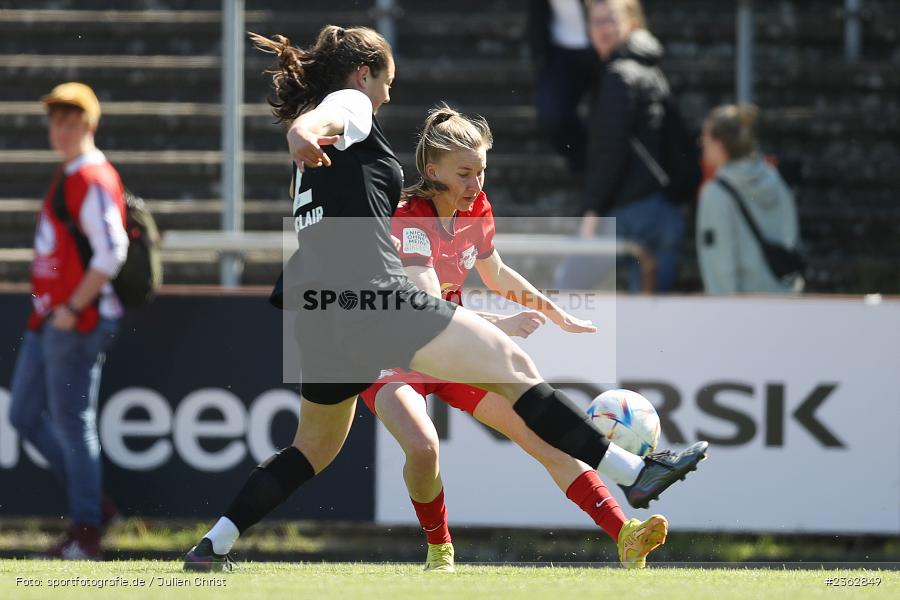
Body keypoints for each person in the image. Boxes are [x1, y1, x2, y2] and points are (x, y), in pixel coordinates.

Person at [183, 25, 707, 572]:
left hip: (320, 311)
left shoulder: (325, 156)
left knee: (311, 449)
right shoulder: (348, 105)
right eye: (387, 81)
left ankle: (213, 544)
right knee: (514, 368)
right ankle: (633, 472)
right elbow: (329, 116)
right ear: (363, 74)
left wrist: (304, 135)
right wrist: (301, 130)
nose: (388, 95)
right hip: (373, 298)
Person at [358, 105, 669, 572]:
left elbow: (497, 272)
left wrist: (555, 311)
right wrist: (496, 325)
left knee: (544, 437)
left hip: (450, 350)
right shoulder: (409, 218)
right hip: (394, 350)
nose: (475, 184)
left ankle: (625, 533)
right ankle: (440, 547)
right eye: (464, 173)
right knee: (423, 449)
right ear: (432, 171)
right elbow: (426, 308)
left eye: (481, 171)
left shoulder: (476, 208)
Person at [8, 82, 128, 560]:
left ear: (89, 125)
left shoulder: (92, 177)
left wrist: (74, 307)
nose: (61, 130)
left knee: (73, 426)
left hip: (77, 322)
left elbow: (113, 251)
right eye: (56, 121)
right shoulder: (71, 172)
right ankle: (93, 504)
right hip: (51, 320)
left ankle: (86, 530)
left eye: (71, 121)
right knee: (22, 414)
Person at [555, 0, 684, 293]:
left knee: (565, 292)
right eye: (596, 21)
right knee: (650, 314)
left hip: (630, 210)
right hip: (665, 212)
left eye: (610, 20)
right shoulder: (651, 68)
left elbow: (610, 150)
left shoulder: (618, 76)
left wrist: (591, 211)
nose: (602, 28)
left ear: (631, 25)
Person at [697, 104, 804, 294]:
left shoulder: (715, 194)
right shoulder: (776, 179)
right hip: (784, 298)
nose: (701, 144)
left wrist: (721, 307)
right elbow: (791, 238)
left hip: (744, 306)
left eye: (704, 138)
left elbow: (720, 267)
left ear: (719, 145)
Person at [528, 0, 598, 174]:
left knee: (610, 113)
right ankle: (583, 164)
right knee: (551, 115)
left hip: (603, 45)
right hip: (559, 49)